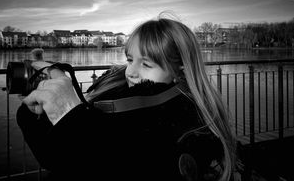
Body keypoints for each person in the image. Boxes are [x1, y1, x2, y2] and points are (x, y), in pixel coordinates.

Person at [16, 13, 238, 180]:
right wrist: (39, 113)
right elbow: (57, 159)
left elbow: (118, 165)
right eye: (130, 60)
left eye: (146, 64)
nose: (131, 71)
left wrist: (72, 116)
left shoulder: (189, 127)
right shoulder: (119, 100)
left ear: (179, 69)